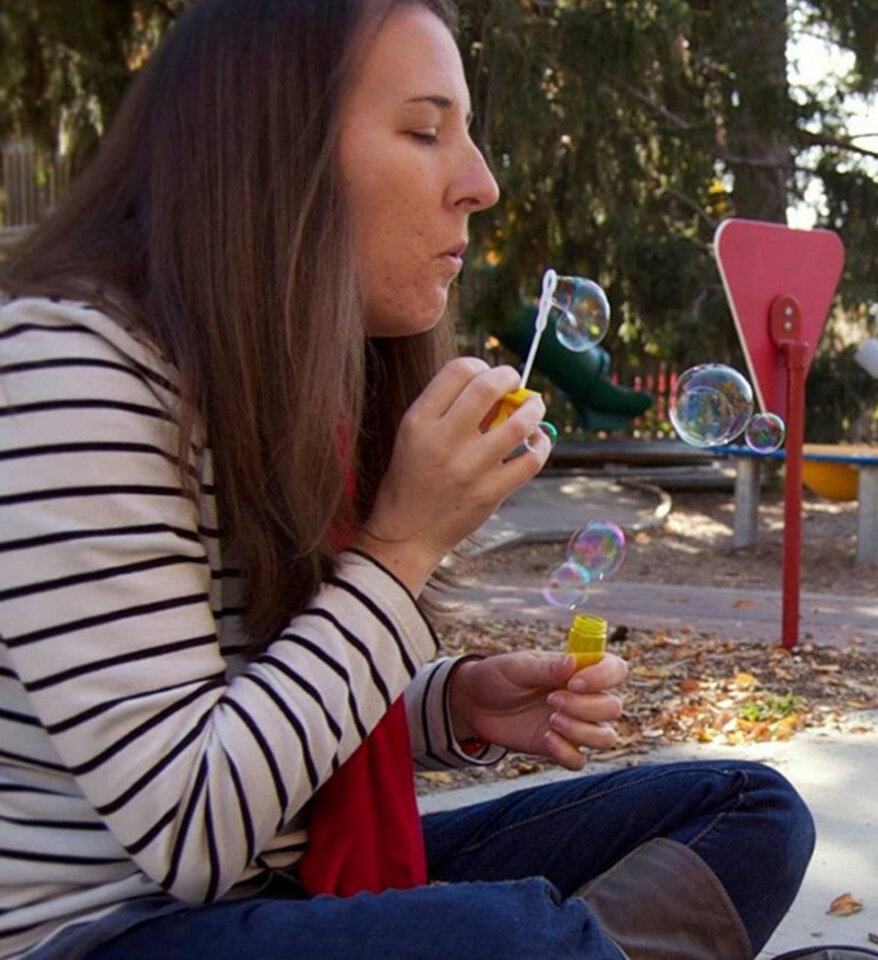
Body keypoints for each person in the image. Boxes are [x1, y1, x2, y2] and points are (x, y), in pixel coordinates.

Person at [0, 1, 818, 957]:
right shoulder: (69, 365)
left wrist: (450, 704)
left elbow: (248, 693)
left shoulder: (278, 369)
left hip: (286, 881)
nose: (482, 184)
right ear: (275, 152)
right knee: (508, 940)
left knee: (749, 811)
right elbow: (193, 830)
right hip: (108, 931)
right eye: (427, 132)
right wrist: (399, 550)